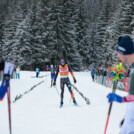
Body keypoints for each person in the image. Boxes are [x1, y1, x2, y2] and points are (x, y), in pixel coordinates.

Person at [107, 35, 134, 134]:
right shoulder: (132, 68)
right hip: (129, 121)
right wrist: (122, 100)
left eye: (118, 52)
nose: (118, 55)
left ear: (124, 52)